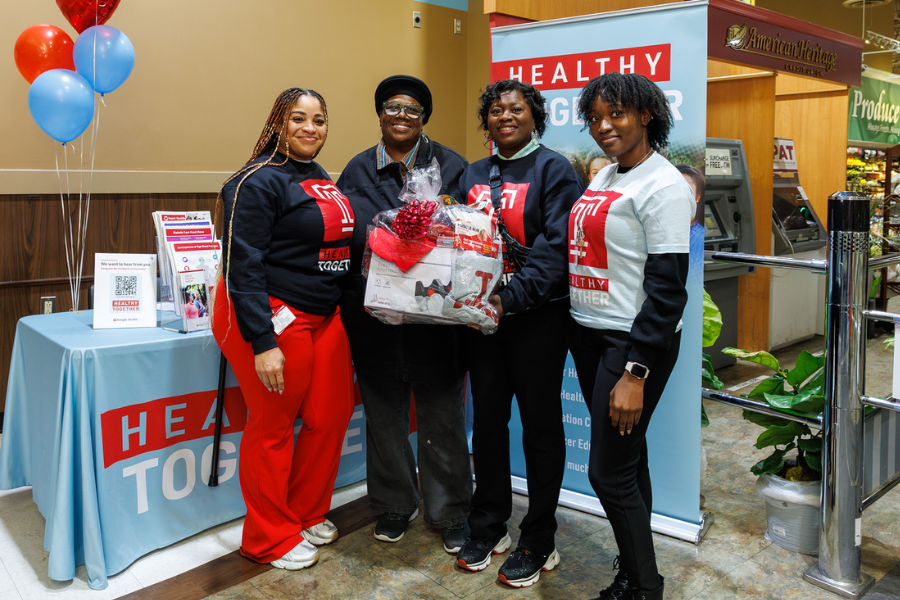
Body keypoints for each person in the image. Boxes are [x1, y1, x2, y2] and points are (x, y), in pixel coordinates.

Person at [212, 88, 355, 571]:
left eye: (319, 119)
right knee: (273, 428)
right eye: (299, 118)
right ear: (278, 123)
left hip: (323, 315)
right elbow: (242, 265)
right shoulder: (253, 181)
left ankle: (302, 512)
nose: (310, 128)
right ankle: (267, 538)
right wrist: (263, 341)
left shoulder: (317, 176)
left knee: (330, 416)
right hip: (270, 314)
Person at [454, 79, 584, 588]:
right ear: (486, 120)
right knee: (486, 425)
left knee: (541, 428)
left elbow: (557, 249)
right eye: (496, 110)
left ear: (535, 117)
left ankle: (539, 535)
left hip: (537, 320)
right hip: (480, 322)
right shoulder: (472, 171)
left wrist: (509, 299)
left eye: (517, 109)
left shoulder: (555, 169)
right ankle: (488, 524)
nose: (505, 117)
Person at [568, 72, 693, 600]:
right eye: (595, 118)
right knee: (628, 460)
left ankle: (645, 587)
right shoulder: (608, 177)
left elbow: (667, 292)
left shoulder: (662, 186)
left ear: (646, 115)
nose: (604, 127)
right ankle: (633, 571)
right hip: (593, 336)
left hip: (630, 346)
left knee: (607, 474)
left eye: (616, 114)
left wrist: (635, 372)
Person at [337, 75, 473, 553]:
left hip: (435, 319)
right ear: (379, 114)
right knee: (384, 416)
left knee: (443, 417)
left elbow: (471, 235)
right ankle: (395, 503)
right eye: (392, 107)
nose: (401, 115)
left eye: (412, 109)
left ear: (424, 118)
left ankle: (452, 510)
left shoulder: (452, 165)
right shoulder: (356, 170)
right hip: (373, 318)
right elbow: (342, 234)